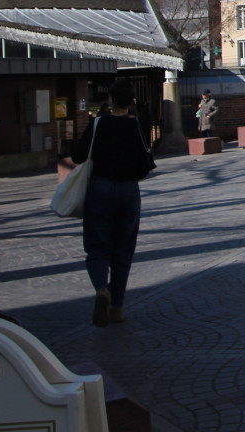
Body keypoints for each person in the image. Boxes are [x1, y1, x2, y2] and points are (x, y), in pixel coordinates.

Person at [72, 78, 151, 328]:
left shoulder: (97, 124)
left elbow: (77, 156)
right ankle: (117, 307)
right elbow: (145, 163)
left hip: (100, 187)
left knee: (97, 247)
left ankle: (101, 289)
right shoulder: (137, 125)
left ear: (111, 100)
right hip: (129, 190)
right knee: (123, 250)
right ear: (132, 102)